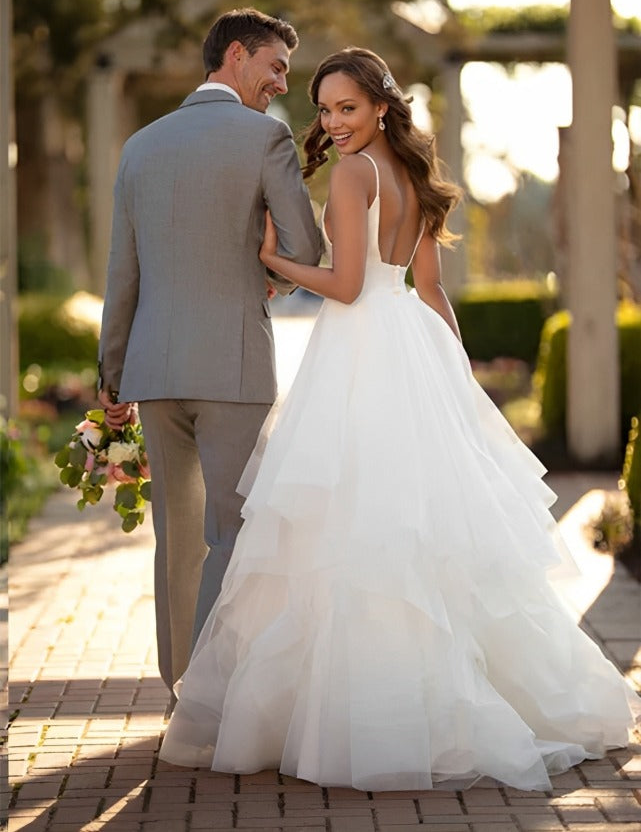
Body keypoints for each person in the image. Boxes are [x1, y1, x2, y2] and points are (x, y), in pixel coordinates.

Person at [159, 48, 640, 791]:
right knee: (416, 530)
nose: (333, 123)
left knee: (351, 526)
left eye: (346, 108)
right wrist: (456, 378)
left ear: (381, 106)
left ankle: (371, 715)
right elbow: (431, 290)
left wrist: (276, 261)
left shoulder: (353, 175)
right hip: (410, 347)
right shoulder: (413, 176)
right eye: (323, 110)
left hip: (359, 353)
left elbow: (346, 288)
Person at [97, 8, 323, 701]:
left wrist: (112, 373)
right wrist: (273, 274)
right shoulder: (264, 137)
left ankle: (179, 684)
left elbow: (122, 272)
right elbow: (305, 251)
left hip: (155, 371)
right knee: (233, 529)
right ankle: (217, 693)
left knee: (177, 536)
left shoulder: (140, 145)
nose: (281, 84)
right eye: (275, 66)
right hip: (233, 368)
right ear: (234, 56)